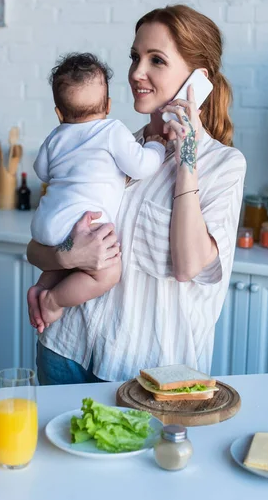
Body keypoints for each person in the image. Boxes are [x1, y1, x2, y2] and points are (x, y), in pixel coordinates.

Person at [27, 4, 247, 385]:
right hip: (66, 350)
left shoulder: (224, 166)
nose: (135, 73)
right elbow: (34, 249)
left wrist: (186, 157)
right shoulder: (114, 147)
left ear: (198, 79)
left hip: (147, 376)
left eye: (156, 60)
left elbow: (188, 265)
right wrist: (70, 254)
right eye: (135, 56)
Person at [28, 52, 166, 333]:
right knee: (107, 273)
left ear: (58, 112)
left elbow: (42, 170)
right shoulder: (113, 130)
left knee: (69, 265)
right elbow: (142, 166)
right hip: (84, 224)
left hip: (46, 224)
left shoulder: (55, 136)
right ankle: (52, 301)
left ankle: (41, 287)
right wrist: (155, 146)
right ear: (108, 106)